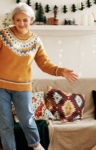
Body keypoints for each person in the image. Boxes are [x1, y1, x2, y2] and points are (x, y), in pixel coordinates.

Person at [0, 2, 78, 150]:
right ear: (13, 20)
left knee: (27, 120)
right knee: (5, 124)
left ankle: (36, 146)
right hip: (1, 86)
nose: (21, 23)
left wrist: (61, 71)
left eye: (25, 20)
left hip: (22, 87)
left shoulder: (35, 41)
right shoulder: (3, 35)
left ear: (31, 21)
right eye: (18, 20)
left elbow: (44, 63)